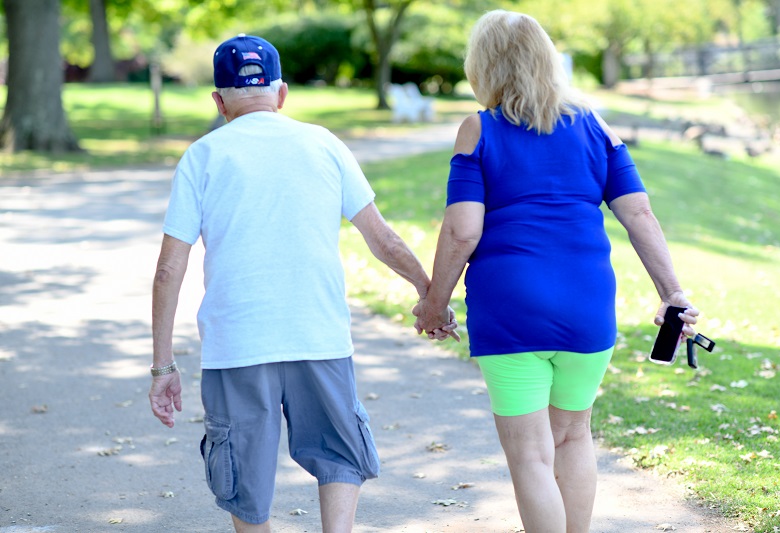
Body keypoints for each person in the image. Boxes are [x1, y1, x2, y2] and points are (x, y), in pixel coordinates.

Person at [148, 34, 455, 533]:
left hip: (238, 343)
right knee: (340, 455)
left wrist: (164, 365)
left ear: (219, 101)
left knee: (242, 476)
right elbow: (383, 239)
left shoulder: (202, 157)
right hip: (319, 335)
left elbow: (168, 270)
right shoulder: (324, 144)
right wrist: (429, 294)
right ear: (282, 93)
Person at [413, 11, 699, 533]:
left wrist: (435, 304)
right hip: (586, 308)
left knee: (530, 456)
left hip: (510, 310)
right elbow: (638, 213)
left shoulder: (479, 129)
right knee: (572, 436)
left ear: (482, 66)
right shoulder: (595, 125)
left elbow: (462, 231)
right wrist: (672, 293)